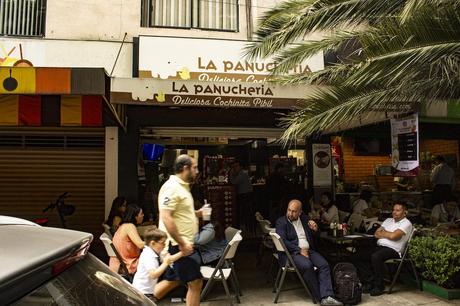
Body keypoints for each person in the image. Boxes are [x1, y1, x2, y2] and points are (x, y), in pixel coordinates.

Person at [276, 199, 343, 306]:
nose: (290, 213)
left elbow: (316, 237)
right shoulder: (281, 222)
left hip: (309, 251)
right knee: (307, 265)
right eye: (289, 210)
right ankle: (321, 298)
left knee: (324, 265)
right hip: (292, 253)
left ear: (300, 212)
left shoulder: (305, 219)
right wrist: (299, 250)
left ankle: (327, 296)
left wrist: (315, 229)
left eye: (294, 211)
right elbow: (283, 242)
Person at [158, 154, 203, 306]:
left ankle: (141, 297)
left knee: (174, 280)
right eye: (195, 167)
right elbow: (166, 217)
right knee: (195, 283)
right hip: (177, 245)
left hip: (182, 244)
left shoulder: (182, 187)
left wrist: (197, 213)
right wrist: (182, 243)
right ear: (185, 168)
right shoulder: (172, 188)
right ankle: (140, 297)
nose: (197, 171)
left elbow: (179, 212)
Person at [351, 202, 413, 296]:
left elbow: (394, 237)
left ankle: (379, 285)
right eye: (393, 210)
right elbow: (376, 234)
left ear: (405, 213)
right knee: (358, 256)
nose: (394, 212)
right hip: (380, 247)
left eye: (398, 210)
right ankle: (370, 281)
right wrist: (389, 234)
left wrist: (384, 233)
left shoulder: (406, 223)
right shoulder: (388, 220)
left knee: (376, 256)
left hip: (394, 250)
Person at [132, 228, 183, 302]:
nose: (164, 245)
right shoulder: (149, 256)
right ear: (153, 243)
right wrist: (165, 263)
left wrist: (182, 253)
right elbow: (153, 275)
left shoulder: (153, 252)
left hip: (146, 292)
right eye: (162, 243)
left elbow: (169, 259)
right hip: (142, 293)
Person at [109, 204, 145, 274]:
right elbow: (140, 245)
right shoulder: (130, 226)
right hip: (129, 265)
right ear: (135, 216)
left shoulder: (123, 226)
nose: (143, 215)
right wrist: (154, 241)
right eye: (141, 214)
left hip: (121, 264)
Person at [229, 161, 254, 232]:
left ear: (240, 167)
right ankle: (245, 227)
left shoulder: (242, 173)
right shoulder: (242, 173)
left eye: (236, 166)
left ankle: (244, 227)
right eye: (233, 167)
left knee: (243, 211)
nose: (234, 168)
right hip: (246, 195)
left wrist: (231, 172)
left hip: (245, 195)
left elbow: (234, 182)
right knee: (244, 211)